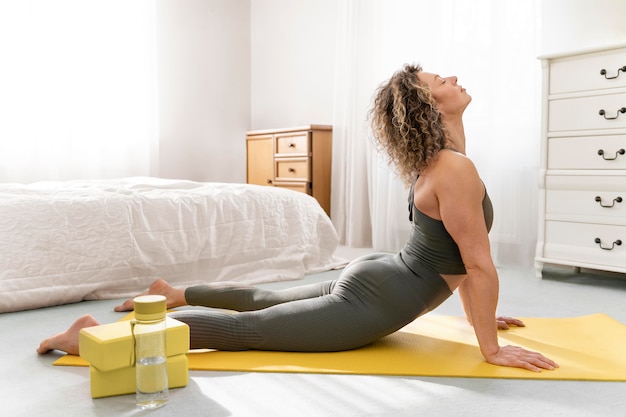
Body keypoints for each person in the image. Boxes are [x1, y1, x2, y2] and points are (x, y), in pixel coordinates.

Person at [38, 64, 558, 372]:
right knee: (254, 330)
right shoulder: (453, 166)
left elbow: (460, 257)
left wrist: (479, 318)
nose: (453, 77)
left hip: (382, 276)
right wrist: (490, 347)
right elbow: (478, 264)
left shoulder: (442, 157)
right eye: (439, 79)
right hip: (378, 298)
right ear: (426, 106)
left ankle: (173, 291)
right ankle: (89, 337)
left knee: (265, 301)